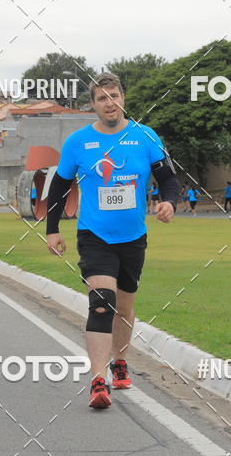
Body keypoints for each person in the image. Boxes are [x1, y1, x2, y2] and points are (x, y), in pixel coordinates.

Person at [45, 72, 179, 409]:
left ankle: (120, 361)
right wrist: (52, 228)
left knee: (125, 307)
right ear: (93, 105)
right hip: (94, 235)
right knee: (102, 301)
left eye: (114, 96)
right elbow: (59, 187)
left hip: (133, 237)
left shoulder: (145, 137)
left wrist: (169, 202)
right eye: (102, 98)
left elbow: (168, 178)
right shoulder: (78, 142)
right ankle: (97, 380)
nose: (110, 103)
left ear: (123, 98)